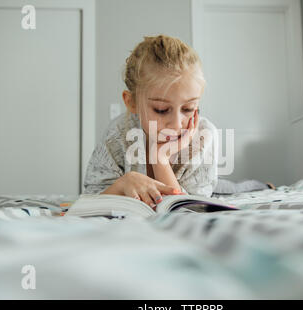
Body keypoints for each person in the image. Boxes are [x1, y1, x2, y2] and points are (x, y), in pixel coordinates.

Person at [83, 35, 219, 209]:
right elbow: (89, 202)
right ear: (132, 102)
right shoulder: (118, 133)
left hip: (206, 184)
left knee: (230, 190)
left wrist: (160, 159)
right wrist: (122, 184)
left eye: (188, 108)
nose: (177, 124)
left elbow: (189, 212)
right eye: (161, 110)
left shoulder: (204, 136)